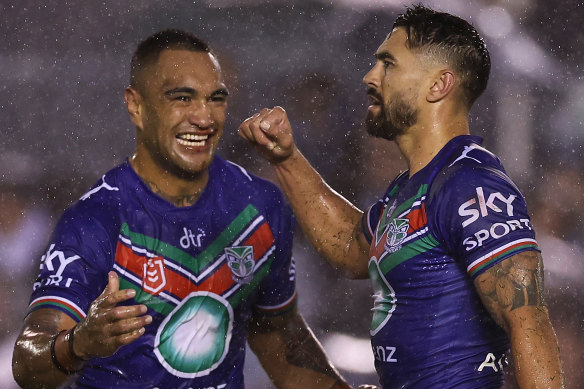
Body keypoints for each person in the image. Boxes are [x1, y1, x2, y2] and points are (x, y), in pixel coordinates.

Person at [238, 5, 564, 389]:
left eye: (388, 64)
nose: (370, 76)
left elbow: (528, 321)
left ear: (439, 85)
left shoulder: (471, 185)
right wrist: (287, 160)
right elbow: (349, 246)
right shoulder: (410, 189)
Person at [11, 29, 352, 389]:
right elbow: (27, 364)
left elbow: (278, 336)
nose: (204, 118)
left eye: (215, 99)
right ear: (136, 106)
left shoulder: (258, 206)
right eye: (182, 98)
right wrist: (78, 343)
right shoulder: (96, 219)